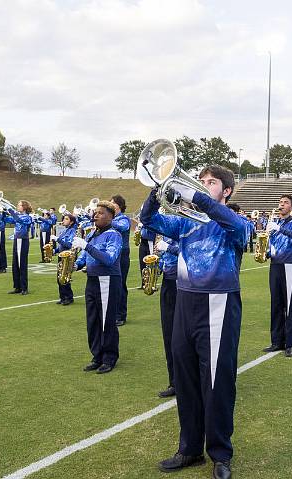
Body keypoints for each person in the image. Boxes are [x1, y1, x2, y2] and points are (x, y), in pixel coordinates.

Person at [141, 165, 245, 479]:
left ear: (226, 191)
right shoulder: (183, 223)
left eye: (210, 183)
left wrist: (199, 197)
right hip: (185, 302)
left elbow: (239, 229)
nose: (201, 186)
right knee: (185, 381)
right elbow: (147, 221)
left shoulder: (233, 223)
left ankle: (220, 453)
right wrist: (157, 188)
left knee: (217, 383)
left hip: (218, 303)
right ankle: (189, 449)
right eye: (200, 182)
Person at [75, 201, 122, 374]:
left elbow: (109, 258)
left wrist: (87, 245)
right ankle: (97, 355)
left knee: (106, 321)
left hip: (108, 279)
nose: (96, 215)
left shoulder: (114, 235)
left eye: (100, 213)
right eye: (95, 212)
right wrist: (76, 265)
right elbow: (84, 256)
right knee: (93, 320)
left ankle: (109, 358)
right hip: (93, 279)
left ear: (111, 216)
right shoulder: (92, 233)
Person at [264, 194, 292, 357]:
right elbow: (272, 244)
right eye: (280, 202)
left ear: (291, 207)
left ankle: (289, 344)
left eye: (285, 203)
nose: (281, 205)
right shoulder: (274, 223)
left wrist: (279, 229)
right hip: (275, 265)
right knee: (275, 304)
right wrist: (266, 251)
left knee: (289, 306)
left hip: (289, 265)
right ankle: (276, 342)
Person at [155, 236, 179, 398]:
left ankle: (190, 380)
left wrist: (168, 248)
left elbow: (192, 253)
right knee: (169, 334)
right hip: (168, 283)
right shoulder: (166, 236)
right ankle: (175, 381)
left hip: (185, 283)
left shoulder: (187, 231)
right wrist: (158, 261)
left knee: (184, 336)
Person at [110, 195, 131, 326]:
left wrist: (107, 219)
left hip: (122, 254)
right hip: (112, 253)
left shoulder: (124, 219)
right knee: (113, 284)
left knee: (121, 284)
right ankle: (114, 313)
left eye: (113, 203)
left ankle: (121, 315)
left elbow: (122, 227)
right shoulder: (112, 218)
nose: (111, 204)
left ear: (119, 205)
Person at [5, 200, 34, 294]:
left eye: (19, 205)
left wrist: (10, 210)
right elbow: (7, 220)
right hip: (17, 240)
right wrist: (0, 212)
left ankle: (24, 288)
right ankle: (17, 287)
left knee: (22, 264)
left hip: (23, 240)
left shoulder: (27, 217)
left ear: (24, 207)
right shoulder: (19, 215)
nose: (17, 206)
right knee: (15, 264)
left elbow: (19, 220)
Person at [53, 214, 78, 306]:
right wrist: (54, 250)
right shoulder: (66, 230)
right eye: (63, 219)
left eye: (66, 219)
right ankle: (63, 297)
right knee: (59, 277)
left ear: (71, 222)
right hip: (62, 255)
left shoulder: (73, 231)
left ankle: (68, 297)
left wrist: (58, 239)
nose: (63, 220)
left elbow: (69, 244)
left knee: (65, 277)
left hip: (68, 256)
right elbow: (61, 246)